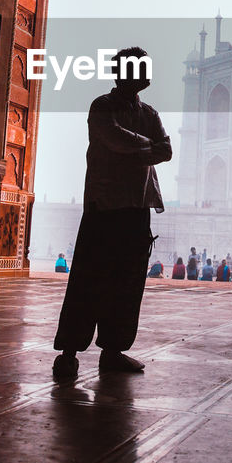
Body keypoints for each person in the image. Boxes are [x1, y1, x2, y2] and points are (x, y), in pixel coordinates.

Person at [52, 47, 172, 380]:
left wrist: (142, 148)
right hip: (105, 206)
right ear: (121, 73)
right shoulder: (102, 107)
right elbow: (116, 139)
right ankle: (69, 352)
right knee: (89, 280)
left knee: (128, 283)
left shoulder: (148, 112)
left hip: (137, 206)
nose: (144, 74)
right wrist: (148, 148)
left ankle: (114, 350)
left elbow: (166, 150)